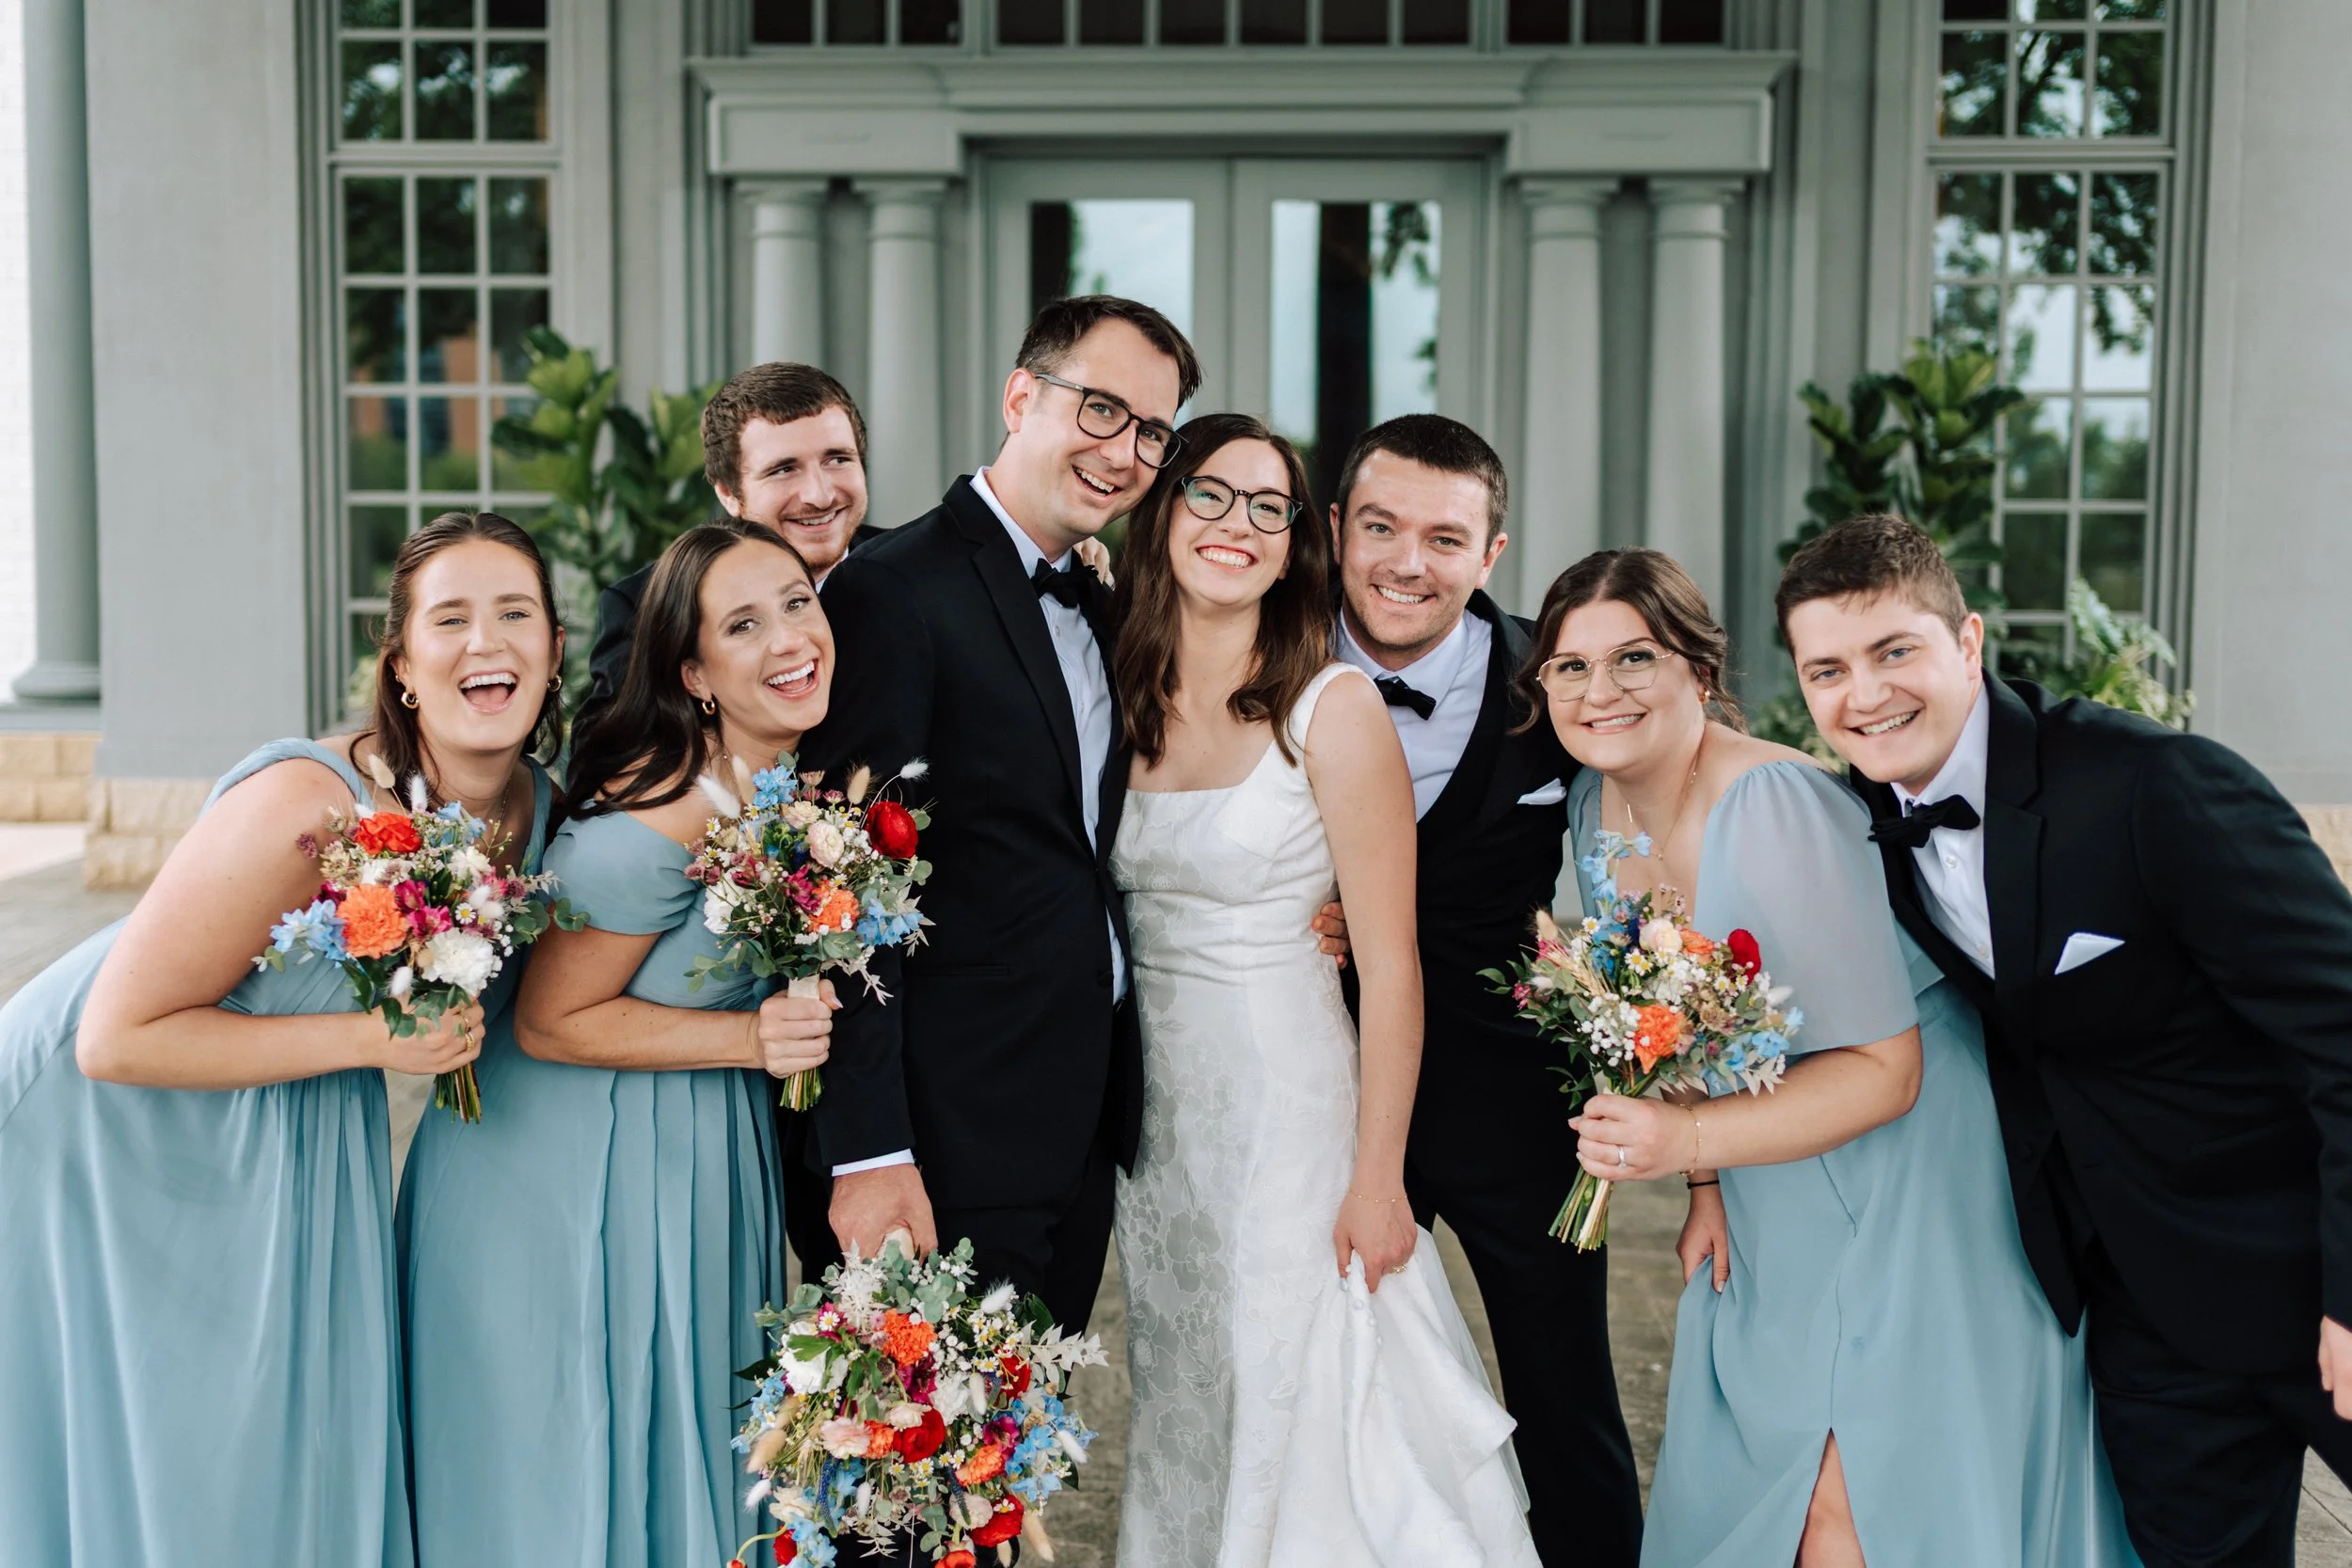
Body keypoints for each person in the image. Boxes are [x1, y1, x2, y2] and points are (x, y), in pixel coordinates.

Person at [1779, 513, 2352, 1568]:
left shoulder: (2153, 785)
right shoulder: (1860, 823)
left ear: (1968, 642)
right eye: (1828, 670)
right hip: (2148, 1304)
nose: (1864, 694)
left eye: (1894, 650)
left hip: (2310, 1259)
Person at [1545, 548, 2137, 1568]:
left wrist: (1685, 1139)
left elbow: (1886, 1069)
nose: (1601, 690)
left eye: (1634, 657)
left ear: (1699, 669)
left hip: (1909, 1164)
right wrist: (1704, 1185)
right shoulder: (1593, 808)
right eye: (1570, 666)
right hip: (1769, 1165)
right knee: (1769, 1467)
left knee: (1852, 1497)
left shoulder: (1772, 802)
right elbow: (1671, 1024)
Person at [0, 511, 562, 1564]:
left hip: (295, 1118)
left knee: (297, 1441)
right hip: (107, 1119)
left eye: (515, 613)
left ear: (556, 649)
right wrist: (375, 1039)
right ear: (402, 669)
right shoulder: (310, 802)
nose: (486, 642)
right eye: (450, 619)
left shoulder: (539, 811)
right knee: (196, 1455)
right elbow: (116, 1036)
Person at [1109, 410, 1540, 1568]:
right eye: (1210, 493)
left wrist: (1378, 1178)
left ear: (1299, 538)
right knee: (1192, 1382)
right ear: (1162, 511)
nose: (1237, 523)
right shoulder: (1114, 690)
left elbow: (1391, 966)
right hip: (1161, 1133)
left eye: (1269, 505)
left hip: (1290, 1116)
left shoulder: (1330, 707)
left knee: (1296, 1385)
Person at [400, 519, 836, 1567]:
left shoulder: (778, 785)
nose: (789, 637)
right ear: (694, 673)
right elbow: (550, 1018)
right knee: (567, 1466)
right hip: (565, 1175)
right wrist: (755, 1035)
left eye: (798, 603)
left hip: (686, 1147)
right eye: (743, 624)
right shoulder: (670, 809)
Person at [793, 293, 1190, 1331]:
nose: (1124, 451)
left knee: (1028, 1423)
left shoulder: (1105, 600)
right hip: (946, 1130)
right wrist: (870, 1150)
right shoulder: (891, 590)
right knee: (927, 1432)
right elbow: (840, 889)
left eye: (1152, 431)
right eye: (1102, 409)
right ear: (1020, 397)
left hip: (1074, 1118)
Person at [1327, 414, 1641, 1566]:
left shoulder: (1553, 680)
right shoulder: (1258, 655)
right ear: (1335, 529)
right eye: (1380, 528)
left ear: (1492, 552)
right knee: (1337, 1380)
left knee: (1564, 1397)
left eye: (1445, 539)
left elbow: (1661, 813)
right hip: (1322, 1082)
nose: (1407, 563)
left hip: (1511, 1096)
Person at [581, 361, 882, 727]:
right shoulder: (646, 605)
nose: (819, 496)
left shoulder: (924, 569)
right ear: (728, 494)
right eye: (783, 469)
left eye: (837, 459)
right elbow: (607, 751)